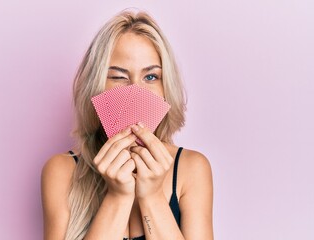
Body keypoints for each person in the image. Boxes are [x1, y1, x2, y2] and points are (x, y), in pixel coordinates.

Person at [41, 10, 213, 240]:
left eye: (151, 77)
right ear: (97, 86)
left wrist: (151, 196)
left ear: (165, 88)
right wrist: (118, 196)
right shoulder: (62, 171)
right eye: (119, 76)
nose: (136, 92)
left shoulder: (192, 168)